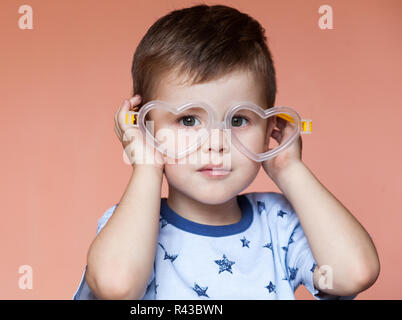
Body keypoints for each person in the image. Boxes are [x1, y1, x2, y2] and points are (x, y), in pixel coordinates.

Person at [73, 4, 379, 300]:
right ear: (146, 127)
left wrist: (290, 169)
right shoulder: (133, 221)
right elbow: (116, 286)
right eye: (188, 120)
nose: (216, 143)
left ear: (269, 130)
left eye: (238, 120)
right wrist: (147, 167)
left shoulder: (278, 222)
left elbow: (355, 272)